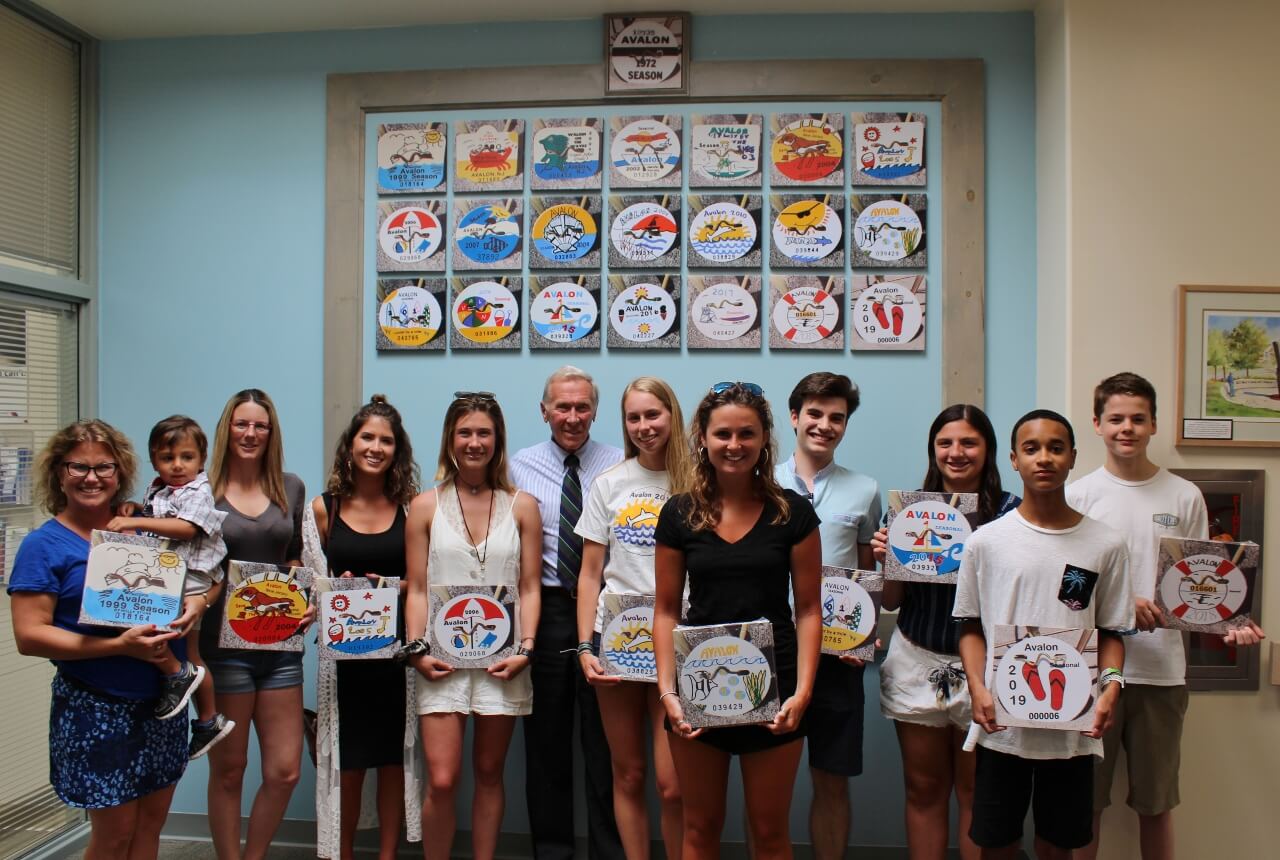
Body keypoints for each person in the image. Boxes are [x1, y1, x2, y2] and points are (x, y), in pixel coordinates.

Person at [1067, 373, 1265, 860]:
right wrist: (1121, 604)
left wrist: (1232, 623)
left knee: (1156, 805)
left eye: (1138, 418)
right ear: (1097, 424)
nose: (1126, 428)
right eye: (1115, 419)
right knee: (1084, 804)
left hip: (1161, 673)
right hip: (1091, 672)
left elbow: (1207, 582)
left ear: (1154, 423)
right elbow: (1067, 591)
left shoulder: (1184, 495)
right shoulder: (1078, 494)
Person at [953, 410, 1133, 860]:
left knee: (1059, 843)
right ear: (1013, 459)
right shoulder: (986, 542)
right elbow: (970, 625)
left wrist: (1111, 686)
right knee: (997, 842)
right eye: (1031, 449)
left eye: (1056, 448)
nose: (1044, 458)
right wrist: (977, 686)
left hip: (1073, 727)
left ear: (1073, 457)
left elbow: (1111, 630)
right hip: (1002, 723)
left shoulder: (1104, 544)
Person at [654, 381, 822, 860]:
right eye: (722, 434)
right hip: (697, 684)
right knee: (701, 829)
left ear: (765, 438)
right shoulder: (678, 514)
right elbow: (665, 610)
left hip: (776, 689)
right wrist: (668, 693)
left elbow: (809, 609)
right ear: (702, 440)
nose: (734, 446)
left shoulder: (793, 513)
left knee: (769, 832)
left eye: (746, 434)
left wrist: (803, 693)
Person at [9, 420, 190, 859]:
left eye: (103, 467)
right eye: (78, 467)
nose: (92, 477)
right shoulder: (43, 545)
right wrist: (117, 646)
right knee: (114, 836)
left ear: (119, 473)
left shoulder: (142, 535)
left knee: (150, 829)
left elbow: (182, 584)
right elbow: (30, 636)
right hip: (96, 708)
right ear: (59, 473)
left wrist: (191, 609)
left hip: (161, 705)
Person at [873, 404, 1018, 860]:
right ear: (933, 450)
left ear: (989, 450)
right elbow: (892, 601)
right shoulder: (908, 513)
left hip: (987, 667)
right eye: (945, 443)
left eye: (969, 443)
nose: (956, 453)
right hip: (917, 657)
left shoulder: (1014, 513)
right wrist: (887, 558)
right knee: (923, 788)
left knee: (976, 788)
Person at [403, 392, 542, 860]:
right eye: (465, 432)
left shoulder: (523, 505)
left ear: (497, 439)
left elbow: (529, 587)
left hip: (504, 659)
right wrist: (416, 651)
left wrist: (526, 647)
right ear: (450, 439)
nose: (475, 442)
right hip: (438, 659)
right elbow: (418, 588)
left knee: (489, 771)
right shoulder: (424, 506)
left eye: (484, 432)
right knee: (442, 779)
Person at [575, 377, 692, 860]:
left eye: (653, 415)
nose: (644, 426)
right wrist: (585, 646)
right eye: (634, 418)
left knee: (672, 785)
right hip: (618, 637)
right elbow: (589, 574)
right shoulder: (609, 484)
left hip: (682, 638)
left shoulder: (699, 482)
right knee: (628, 774)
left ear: (672, 416)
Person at [511, 367, 624, 860]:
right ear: (544, 411)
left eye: (582, 407)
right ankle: (552, 853)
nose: (572, 417)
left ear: (595, 411)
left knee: (608, 747)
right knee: (547, 744)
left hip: (611, 615)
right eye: (563, 407)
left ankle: (609, 852)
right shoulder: (519, 466)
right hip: (550, 609)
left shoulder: (621, 464)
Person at [305, 396, 419, 860]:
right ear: (350, 445)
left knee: (393, 760)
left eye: (385, 441)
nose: (375, 447)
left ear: (398, 450)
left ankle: (388, 854)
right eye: (367, 437)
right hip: (346, 663)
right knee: (347, 767)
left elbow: (423, 582)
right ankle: (344, 852)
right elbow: (313, 586)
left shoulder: (411, 509)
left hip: (396, 659)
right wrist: (339, 588)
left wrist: (388, 587)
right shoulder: (322, 509)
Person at [774, 373, 880, 860]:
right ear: (795, 417)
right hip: (772, 651)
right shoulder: (760, 481)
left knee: (832, 782)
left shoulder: (865, 490)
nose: (824, 425)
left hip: (838, 656)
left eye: (836, 417)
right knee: (767, 786)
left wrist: (865, 636)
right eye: (814, 414)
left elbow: (867, 574)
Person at [202, 389, 310, 860]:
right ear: (227, 429)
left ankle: (255, 855)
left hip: (280, 645)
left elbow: (295, 559)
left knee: (285, 770)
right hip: (222, 650)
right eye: (242, 424)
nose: (250, 434)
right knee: (229, 770)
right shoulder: (200, 492)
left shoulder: (291, 488)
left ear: (271, 433)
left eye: (260, 426)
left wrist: (307, 598)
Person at [104, 414, 234, 759]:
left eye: (186, 457)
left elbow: (186, 529)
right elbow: (156, 519)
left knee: (157, 633)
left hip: (192, 577)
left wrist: (133, 520)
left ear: (201, 460)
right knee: (189, 651)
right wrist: (136, 507)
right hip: (173, 572)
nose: (177, 466)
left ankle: (179, 679)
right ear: (154, 460)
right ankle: (208, 720)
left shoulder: (198, 490)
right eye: (167, 458)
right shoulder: (161, 488)